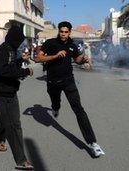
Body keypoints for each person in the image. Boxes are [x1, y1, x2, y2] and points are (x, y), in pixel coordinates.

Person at [35, 21, 105, 157]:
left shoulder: (72, 45)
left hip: (68, 81)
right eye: (61, 31)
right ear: (59, 31)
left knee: (78, 109)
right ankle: (55, 109)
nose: (63, 34)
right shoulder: (50, 43)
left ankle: (93, 143)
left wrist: (83, 59)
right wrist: (55, 56)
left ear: (69, 32)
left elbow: (76, 59)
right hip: (52, 82)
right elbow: (38, 58)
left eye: (66, 32)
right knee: (55, 103)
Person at [0, 25, 34, 170]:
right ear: (15, 38)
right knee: (14, 126)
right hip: (0, 95)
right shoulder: (4, 50)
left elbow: (11, 65)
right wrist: (25, 71)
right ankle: (21, 160)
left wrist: (20, 60)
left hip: (10, 93)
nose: (21, 43)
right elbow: (3, 70)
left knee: (8, 121)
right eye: (20, 40)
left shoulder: (12, 50)